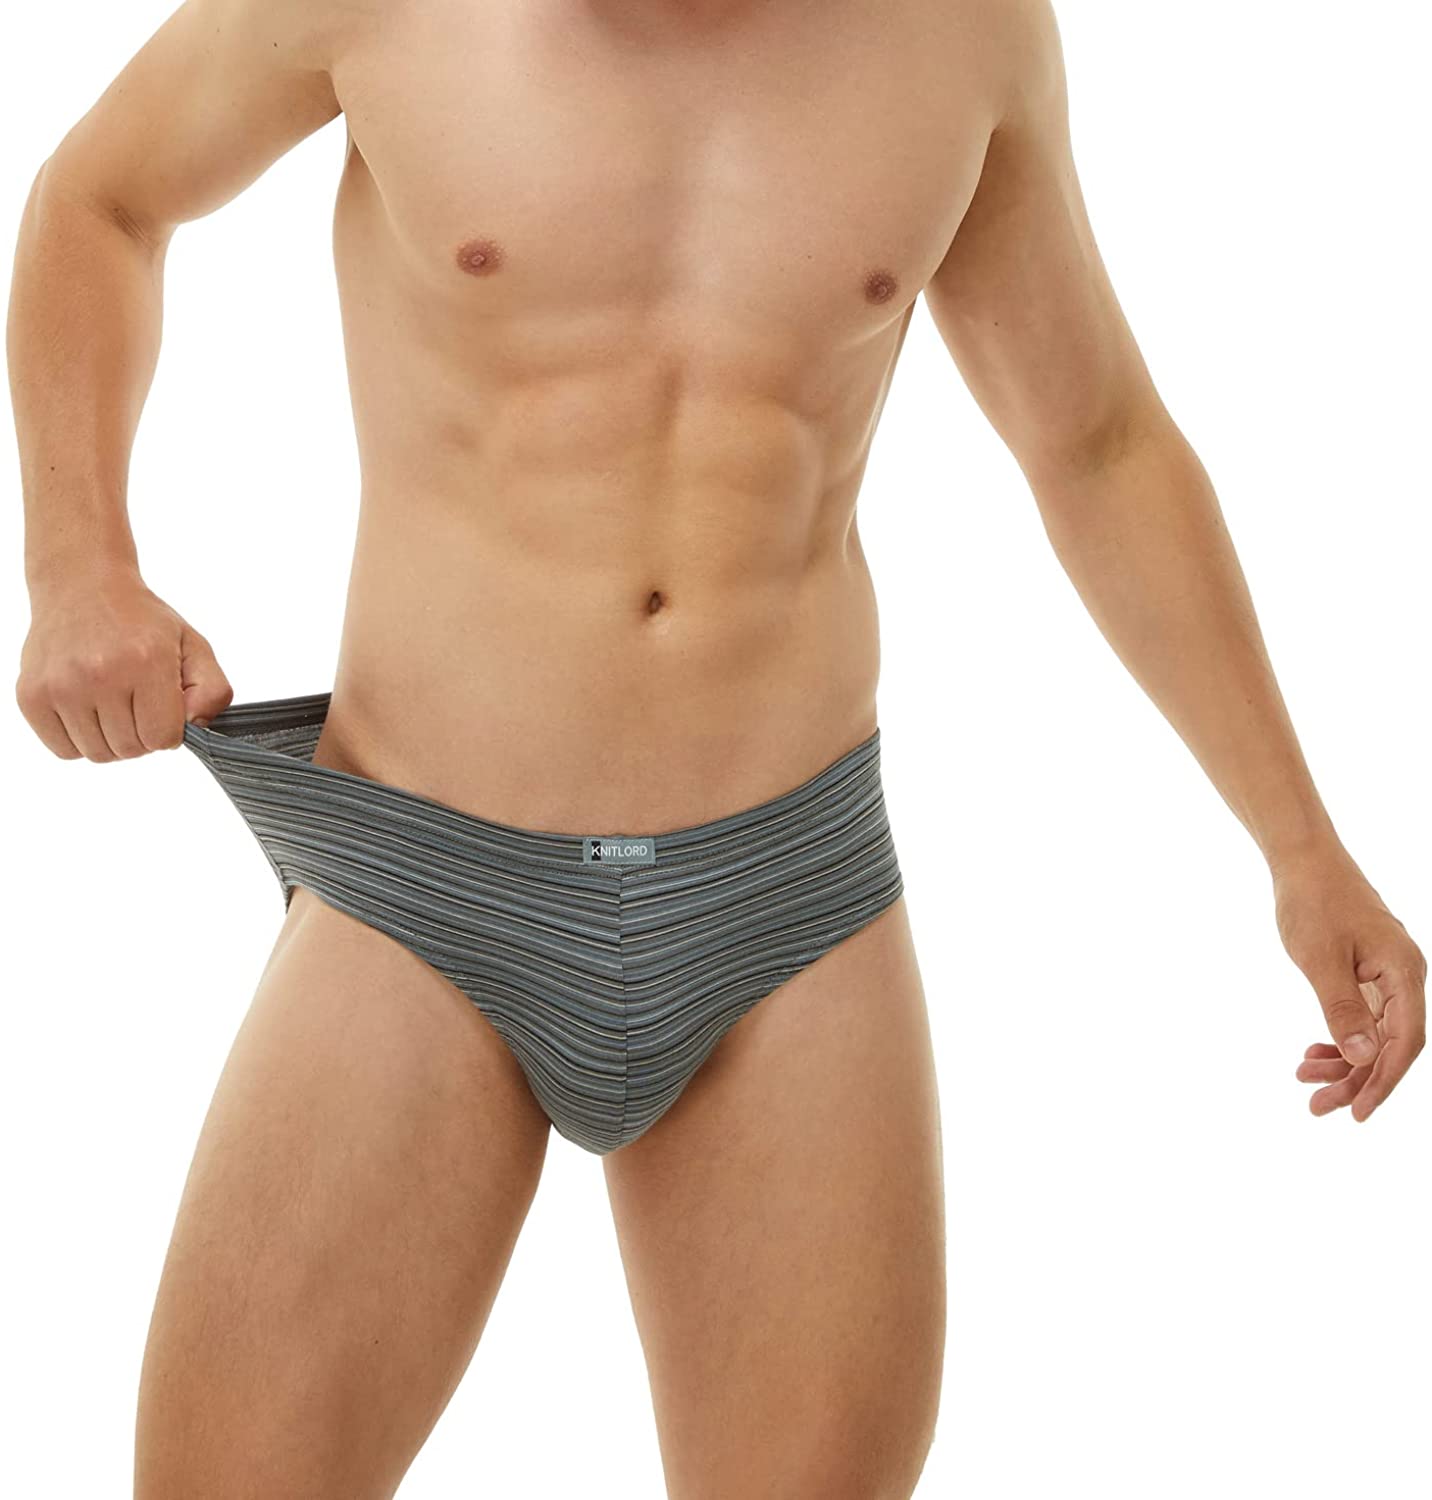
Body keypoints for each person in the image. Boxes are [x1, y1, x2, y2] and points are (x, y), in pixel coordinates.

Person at [8, 1, 1424, 1496]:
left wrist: (1304, 850)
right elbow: (100, 198)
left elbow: (1097, 443)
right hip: (425, 876)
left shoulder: (963, 34)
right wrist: (77, 563)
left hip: (785, 899)